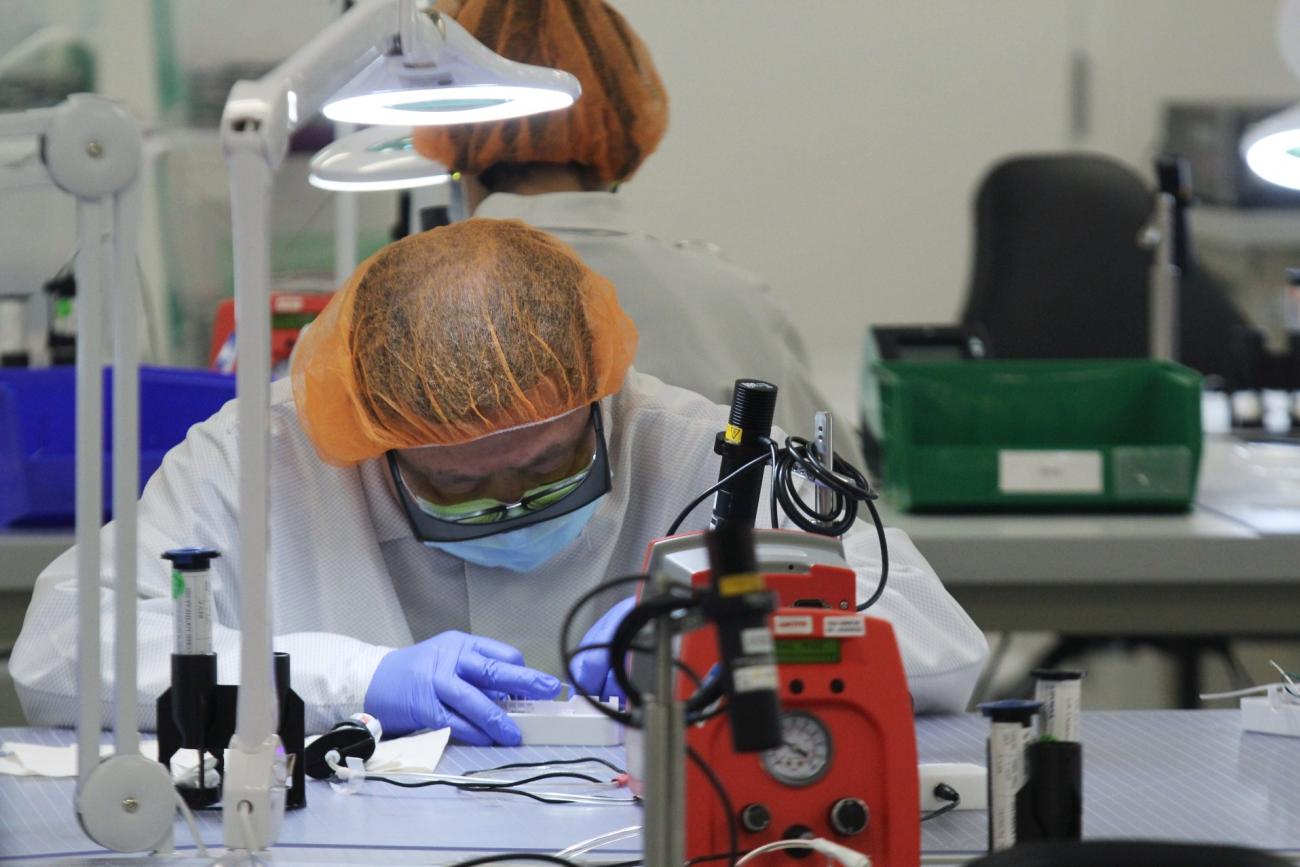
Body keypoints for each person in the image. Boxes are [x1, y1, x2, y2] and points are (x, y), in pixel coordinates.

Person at [11, 219, 985, 744]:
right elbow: (58, 657)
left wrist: (715, 636)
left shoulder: (685, 443)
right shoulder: (262, 460)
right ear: (375, 438)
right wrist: (344, 678)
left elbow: (943, 650)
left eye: (549, 465)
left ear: (600, 400)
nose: (514, 504)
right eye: (464, 484)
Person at [412, 0, 860, 463]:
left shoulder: (412, 312)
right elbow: (841, 496)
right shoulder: (732, 302)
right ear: (622, 116)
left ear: (447, 128)